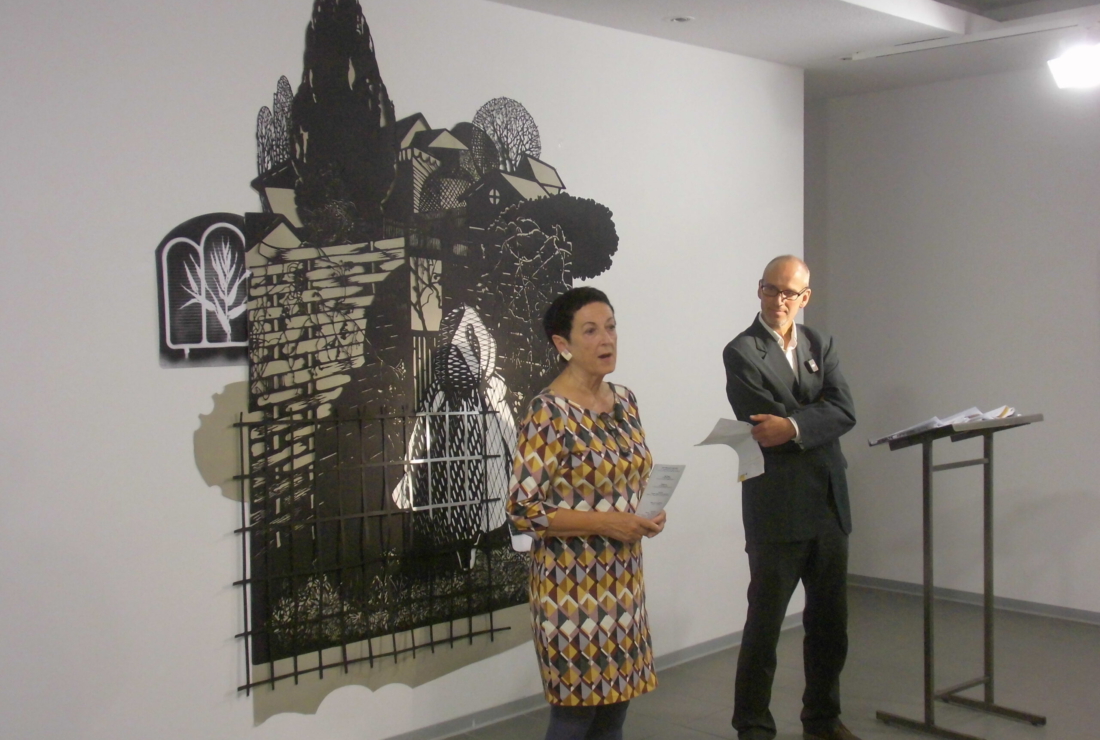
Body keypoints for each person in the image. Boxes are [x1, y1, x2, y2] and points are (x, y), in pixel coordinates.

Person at [507, 286, 666, 740]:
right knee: (575, 716)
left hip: (623, 582)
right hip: (570, 590)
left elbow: (626, 478)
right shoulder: (548, 413)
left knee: (615, 711)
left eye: (611, 327)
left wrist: (645, 514)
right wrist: (606, 522)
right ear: (563, 344)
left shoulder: (625, 401)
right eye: (591, 331)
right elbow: (522, 510)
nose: (606, 339)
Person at [722, 256, 858, 740]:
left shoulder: (820, 343)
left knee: (830, 626)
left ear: (805, 298)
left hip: (828, 506)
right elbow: (765, 426)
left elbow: (845, 411)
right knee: (764, 627)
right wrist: (812, 419)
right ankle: (753, 726)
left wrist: (796, 425)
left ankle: (822, 719)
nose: (778, 301)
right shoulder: (741, 351)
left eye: (788, 293)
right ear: (759, 289)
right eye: (770, 289)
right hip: (776, 509)